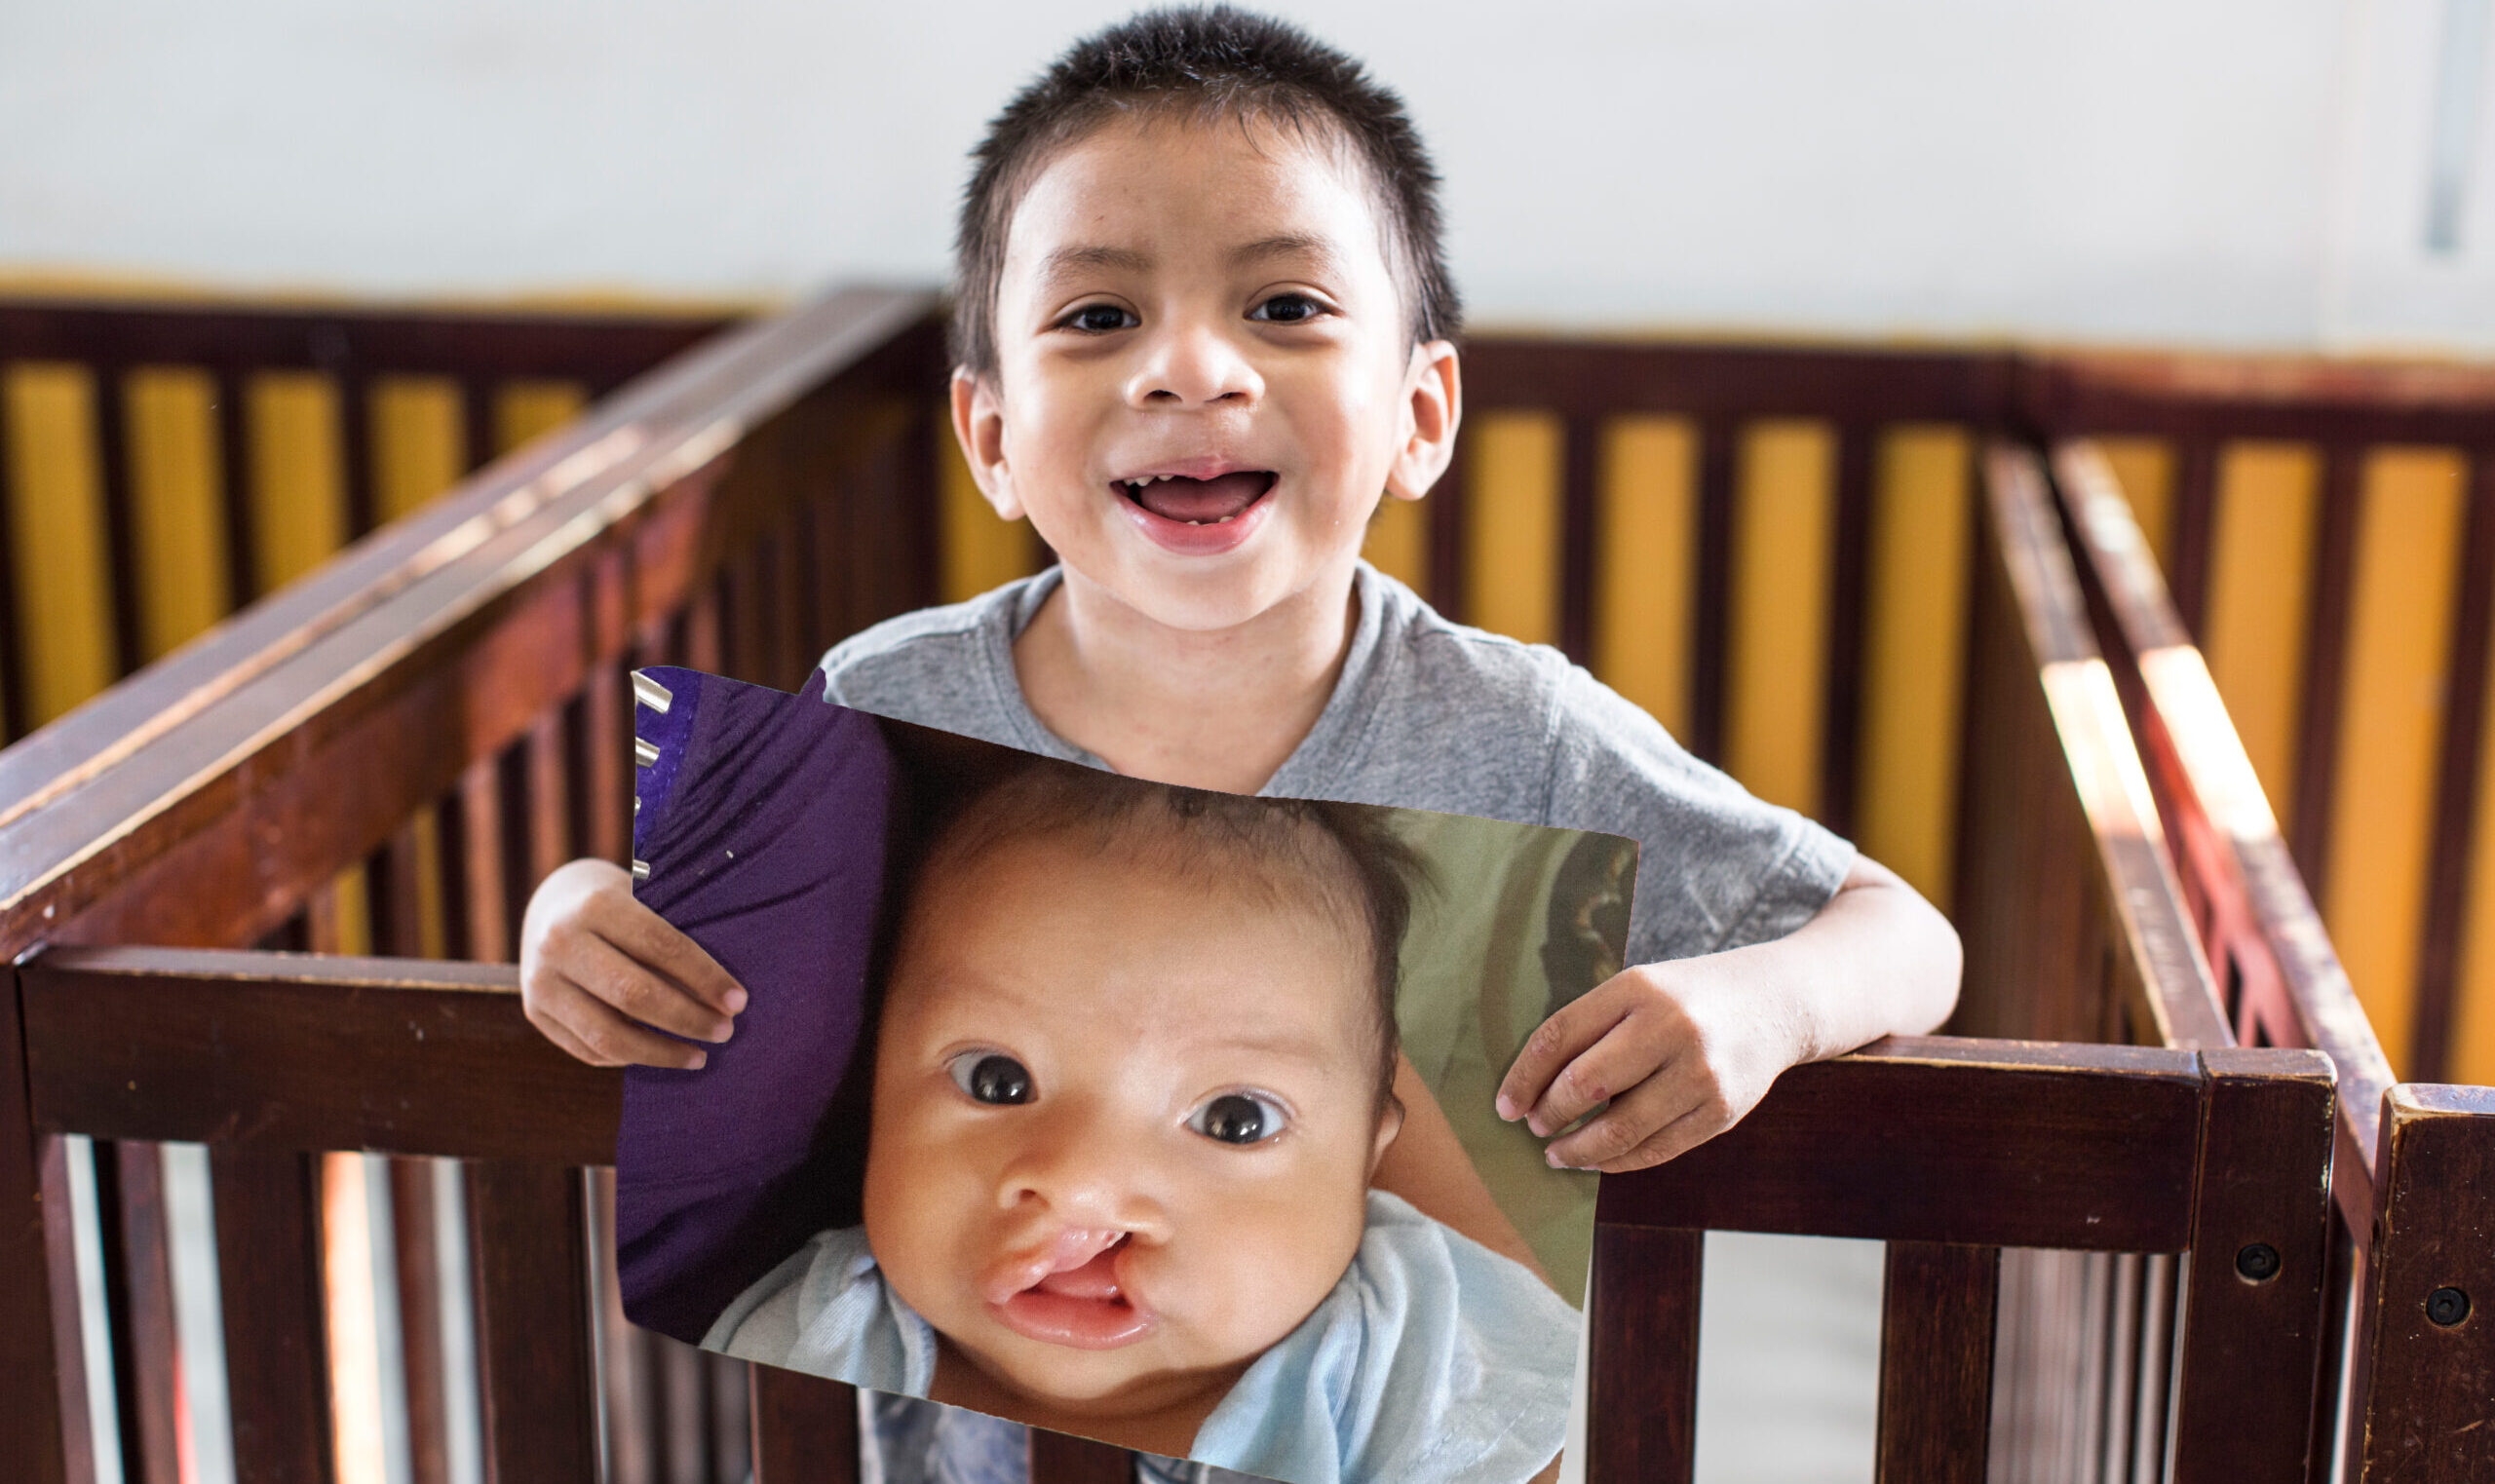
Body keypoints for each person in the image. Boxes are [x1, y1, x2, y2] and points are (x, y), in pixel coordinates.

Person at [521, 7, 1962, 1479]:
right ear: (992, 435)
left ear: (1419, 411)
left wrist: (1768, 1005)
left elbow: (1902, 933)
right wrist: (576, 907)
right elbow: (712, 959)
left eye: (1284, 305)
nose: (1189, 368)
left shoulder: (1513, 731)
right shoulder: (893, 698)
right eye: (1098, 316)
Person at [704, 764, 1575, 1484]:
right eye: (997, 1079)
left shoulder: (1397, 1348)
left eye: (1234, 1119)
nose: (1083, 1183)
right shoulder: (827, 1334)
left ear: (1369, 1159)